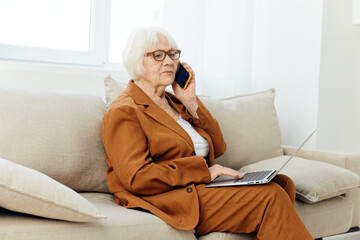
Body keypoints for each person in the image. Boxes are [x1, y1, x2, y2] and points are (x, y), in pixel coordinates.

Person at [101, 27, 313, 240]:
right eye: (158, 55)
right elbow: (137, 177)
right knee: (270, 196)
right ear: (137, 61)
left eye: (173, 54)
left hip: (198, 187)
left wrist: (191, 101)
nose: (168, 62)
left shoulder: (175, 103)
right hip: (168, 197)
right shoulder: (125, 110)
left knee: (282, 184)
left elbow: (219, 147)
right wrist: (203, 172)